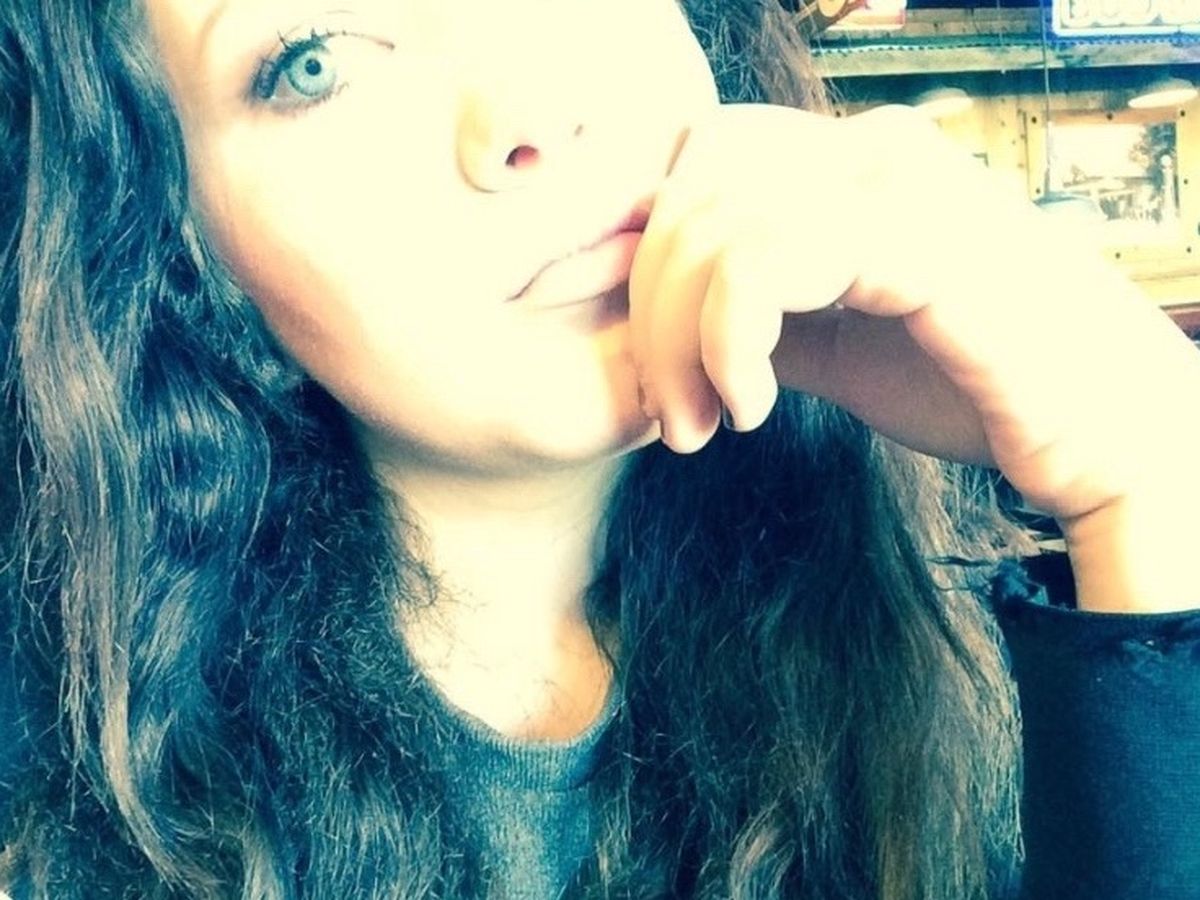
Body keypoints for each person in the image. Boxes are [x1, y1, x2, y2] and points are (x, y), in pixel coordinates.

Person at [1, 0, 1198, 897]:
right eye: (314, 61)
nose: (529, 109)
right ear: (180, 253)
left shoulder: (981, 621)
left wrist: (1141, 477)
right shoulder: (62, 812)